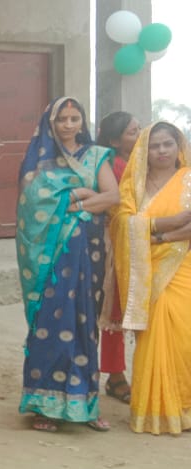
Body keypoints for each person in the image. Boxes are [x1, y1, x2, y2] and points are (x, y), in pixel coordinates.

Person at [15, 97, 119, 433]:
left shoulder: (97, 155)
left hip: (87, 255)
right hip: (52, 258)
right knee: (50, 322)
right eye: (63, 118)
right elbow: (33, 205)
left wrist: (68, 202)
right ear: (51, 123)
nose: (69, 124)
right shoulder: (40, 162)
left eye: (75, 118)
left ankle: (85, 406)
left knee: (84, 325)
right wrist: (80, 198)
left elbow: (112, 197)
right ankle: (44, 406)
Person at [112, 122, 191, 435]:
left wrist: (159, 235)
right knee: (155, 334)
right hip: (149, 273)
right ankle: (157, 410)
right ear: (144, 151)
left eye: (167, 144)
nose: (161, 151)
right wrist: (164, 225)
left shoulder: (187, 180)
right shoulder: (135, 186)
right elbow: (121, 224)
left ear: (178, 146)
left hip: (183, 267)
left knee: (184, 338)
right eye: (155, 145)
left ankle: (184, 406)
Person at [95, 111, 140, 403]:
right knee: (115, 310)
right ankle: (115, 376)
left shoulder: (140, 161)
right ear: (114, 140)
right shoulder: (113, 164)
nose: (139, 136)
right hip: (116, 244)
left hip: (139, 241)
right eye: (132, 132)